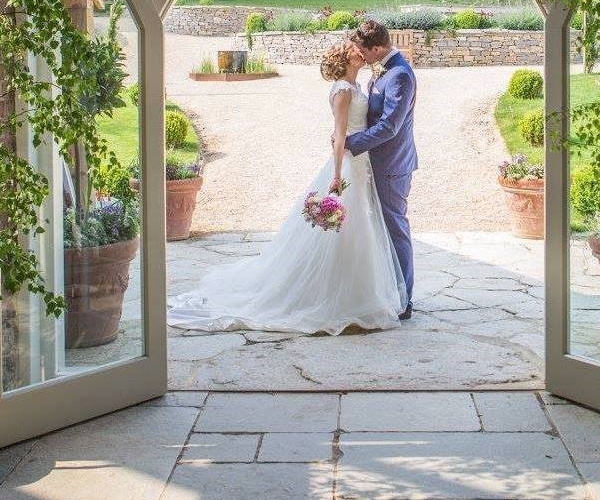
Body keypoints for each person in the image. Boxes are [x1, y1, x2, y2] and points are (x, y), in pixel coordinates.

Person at [167, 40, 407, 334]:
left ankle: (357, 292)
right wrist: (335, 175)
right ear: (345, 60)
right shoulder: (344, 90)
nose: (359, 52)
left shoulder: (358, 85)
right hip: (347, 165)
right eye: (353, 51)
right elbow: (339, 135)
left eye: (360, 49)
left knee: (358, 231)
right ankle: (333, 295)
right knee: (345, 230)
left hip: (361, 164)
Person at [343, 20, 418, 320]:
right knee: (380, 230)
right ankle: (388, 292)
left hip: (391, 166)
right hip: (375, 163)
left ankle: (405, 301)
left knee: (395, 229)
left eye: (364, 50)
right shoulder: (385, 68)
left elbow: (389, 126)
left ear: (378, 48)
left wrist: (350, 142)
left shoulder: (400, 75)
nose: (361, 54)